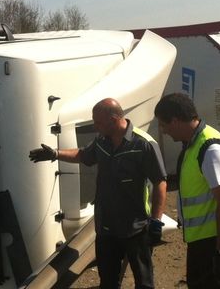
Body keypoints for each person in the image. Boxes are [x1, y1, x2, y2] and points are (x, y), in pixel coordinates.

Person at [29, 98, 167, 289]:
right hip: (106, 227)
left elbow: (160, 182)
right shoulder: (102, 140)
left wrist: (156, 222)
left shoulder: (143, 144)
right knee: (108, 281)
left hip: (136, 227)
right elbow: (84, 155)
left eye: (98, 122)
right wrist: (55, 154)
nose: (95, 126)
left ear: (114, 119)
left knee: (144, 282)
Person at [153, 93, 220, 289]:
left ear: (175, 120)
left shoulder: (211, 149)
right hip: (205, 237)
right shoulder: (194, 144)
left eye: (164, 125)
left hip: (216, 239)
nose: (163, 131)